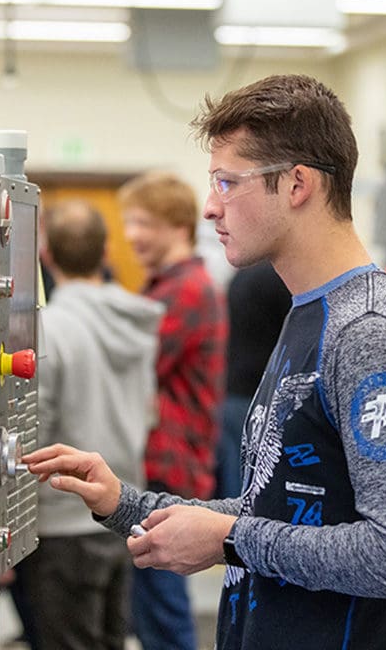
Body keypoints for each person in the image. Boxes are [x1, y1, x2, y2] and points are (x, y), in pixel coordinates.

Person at [24, 74, 386, 650]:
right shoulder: (309, 313)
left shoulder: (369, 334)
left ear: (297, 184)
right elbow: (282, 506)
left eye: (228, 183)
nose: (209, 207)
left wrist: (232, 539)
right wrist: (127, 503)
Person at [15, 199, 163, 650]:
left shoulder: (50, 329)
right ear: (105, 252)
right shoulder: (138, 322)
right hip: (121, 512)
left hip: (61, 523)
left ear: (47, 256)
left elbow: (34, 428)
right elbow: (150, 410)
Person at [118, 171, 228, 650]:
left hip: (171, 463)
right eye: (129, 223)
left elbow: (133, 365)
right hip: (160, 460)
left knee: (163, 608)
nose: (131, 235)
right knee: (150, 603)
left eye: (142, 223)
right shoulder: (164, 287)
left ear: (177, 226)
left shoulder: (185, 291)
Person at [215, 261, 292, 499]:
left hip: (231, 391)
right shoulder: (279, 279)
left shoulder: (240, 277)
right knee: (250, 487)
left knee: (234, 477)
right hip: (257, 395)